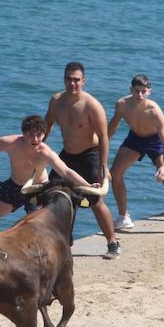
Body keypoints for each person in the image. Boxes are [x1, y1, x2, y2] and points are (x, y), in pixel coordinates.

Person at [0, 114, 94, 235]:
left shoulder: (46, 153)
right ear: (23, 134)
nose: (35, 139)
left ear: (44, 134)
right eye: (31, 135)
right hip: (14, 187)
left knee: (33, 230)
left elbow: (66, 171)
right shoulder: (11, 143)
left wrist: (88, 186)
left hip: (38, 191)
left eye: (39, 135)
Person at [43, 62, 122, 258]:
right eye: (69, 79)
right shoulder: (56, 101)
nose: (72, 83)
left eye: (76, 80)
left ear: (83, 81)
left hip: (90, 156)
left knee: (96, 200)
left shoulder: (91, 105)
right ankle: (64, 241)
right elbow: (47, 125)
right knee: (54, 196)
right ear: (64, 79)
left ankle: (113, 242)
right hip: (67, 156)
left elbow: (103, 136)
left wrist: (104, 166)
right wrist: (37, 149)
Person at [107, 74, 164, 237]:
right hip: (134, 138)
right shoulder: (122, 105)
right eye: (136, 91)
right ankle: (123, 216)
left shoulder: (154, 111)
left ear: (149, 92)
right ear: (131, 90)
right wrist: (100, 153)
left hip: (155, 141)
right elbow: (110, 130)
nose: (139, 95)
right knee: (115, 173)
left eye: (143, 91)